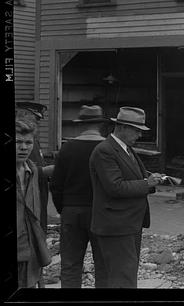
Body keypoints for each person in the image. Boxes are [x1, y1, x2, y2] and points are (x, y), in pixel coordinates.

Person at [89, 106, 163, 288]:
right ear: (121, 127)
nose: (139, 135)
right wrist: (147, 183)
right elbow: (115, 187)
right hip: (116, 226)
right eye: (136, 130)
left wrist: (151, 181)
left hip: (128, 224)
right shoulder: (105, 150)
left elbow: (132, 177)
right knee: (123, 280)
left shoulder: (126, 149)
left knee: (118, 277)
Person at [50, 105, 110, 288]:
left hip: (71, 211)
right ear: (100, 125)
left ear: (79, 125)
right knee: (104, 265)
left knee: (70, 265)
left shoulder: (67, 148)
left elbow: (56, 185)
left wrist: (63, 208)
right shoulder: (107, 148)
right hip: (101, 213)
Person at [15, 112, 52, 289]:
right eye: (18, 142)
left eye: (28, 142)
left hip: (30, 250)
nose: (23, 147)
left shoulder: (33, 171)